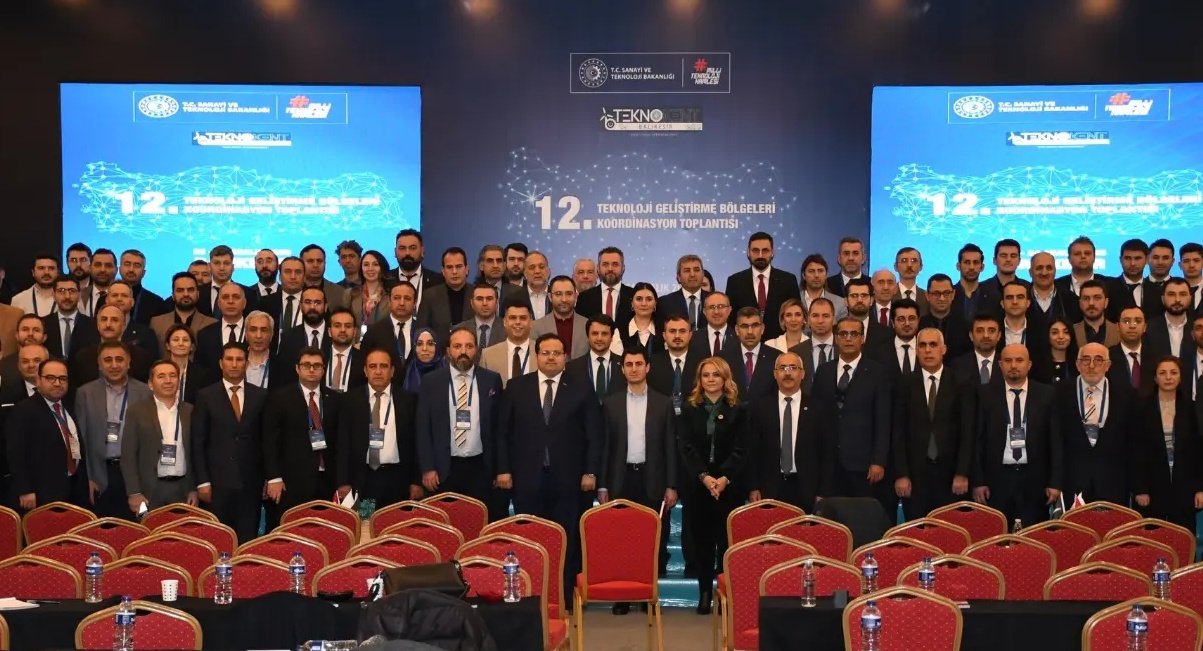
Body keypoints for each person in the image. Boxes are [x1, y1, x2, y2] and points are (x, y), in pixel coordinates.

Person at [496, 333, 603, 601]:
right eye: (546, 353)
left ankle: (563, 596)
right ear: (537, 356)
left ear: (565, 357)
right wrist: (503, 469)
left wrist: (590, 471)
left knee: (566, 538)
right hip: (527, 479)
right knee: (530, 537)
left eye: (557, 353)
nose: (551, 358)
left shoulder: (581, 387)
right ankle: (532, 595)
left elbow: (594, 433)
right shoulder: (517, 387)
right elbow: (502, 433)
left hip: (569, 480)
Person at [598, 346, 678, 615]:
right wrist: (603, 484)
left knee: (652, 539)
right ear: (622, 369)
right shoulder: (611, 403)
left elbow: (670, 446)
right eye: (629, 364)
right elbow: (605, 447)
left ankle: (647, 594)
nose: (634, 369)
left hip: (652, 479)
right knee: (621, 540)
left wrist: (671, 484)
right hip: (621, 480)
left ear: (647, 368)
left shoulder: (663, 403)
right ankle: (623, 595)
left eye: (638, 364)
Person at [677, 356, 747, 615]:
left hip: (729, 486)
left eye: (716, 375)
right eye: (705, 375)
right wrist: (704, 477)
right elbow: (686, 447)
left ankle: (725, 594)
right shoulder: (689, 409)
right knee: (702, 543)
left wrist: (724, 478)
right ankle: (705, 592)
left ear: (725, 378)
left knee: (726, 543)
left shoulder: (739, 409)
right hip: (699, 485)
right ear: (699, 379)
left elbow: (742, 448)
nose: (710, 379)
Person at [415, 327, 505, 519]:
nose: (463, 351)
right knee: (445, 524)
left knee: (479, 522)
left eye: (469, 346)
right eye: (457, 346)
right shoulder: (431, 382)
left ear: (476, 350)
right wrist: (428, 467)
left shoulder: (491, 380)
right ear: (448, 351)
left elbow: (499, 429)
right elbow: (423, 428)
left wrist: (500, 469)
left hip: (480, 468)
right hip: (443, 469)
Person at [972, 344, 1061, 526]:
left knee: (1034, 535)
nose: (1013, 365)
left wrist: (1055, 482)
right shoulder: (985, 394)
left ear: (1029, 365)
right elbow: (977, 441)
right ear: (1000, 365)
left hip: (1035, 479)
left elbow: (1055, 441)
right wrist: (978, 481)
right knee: (998, 534)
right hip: (997, 479)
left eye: (1019, 360)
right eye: (1008, 360)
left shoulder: (1047, 394)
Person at [892, 329, 974, 519]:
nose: (928, 350)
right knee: (918, 530)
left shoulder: (960, 382)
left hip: (951, 476)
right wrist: (902, 474)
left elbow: (967, 432)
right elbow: (897, 432)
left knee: (950, 530)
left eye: (933, 345)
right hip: (915, 476)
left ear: (943, 349)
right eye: (922, 345)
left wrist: (962, 472)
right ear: (916, 350)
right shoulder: (904, 383)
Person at [808, 317, 891, 502]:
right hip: (828, 464)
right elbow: (815, 418)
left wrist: (878, 461)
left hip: (862, 464)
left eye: (854, 334)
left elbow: (883, 420)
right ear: (836, 338)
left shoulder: (877, 372)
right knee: (830, 516)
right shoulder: (823, 371)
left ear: (862, 338)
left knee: (861, 515)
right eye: (843, 334)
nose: (848, 338)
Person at [191, 342, 267, 542]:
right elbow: (198, 441)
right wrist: (203, 481)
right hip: (217, 484)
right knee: (218, 540)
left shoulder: (260, 395)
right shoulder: (205, 396)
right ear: (220, 363)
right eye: (229, 359)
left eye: (239, 360)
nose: (234, 364)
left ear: (246, 363)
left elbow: (265, 440)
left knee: (248, 540)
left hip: (251, 483)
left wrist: (268, 477)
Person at [263, 347, 342, 529]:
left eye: (317, 366)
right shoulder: (280, 398)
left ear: (324, 369)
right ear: (297, 369)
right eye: (306, 365)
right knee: (290, 531)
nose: (312, 369)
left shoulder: (335, 400)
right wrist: (274, 477)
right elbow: (270, 441)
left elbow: (340, 442)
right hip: (290, 481)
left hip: (326, 480)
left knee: (322, 532)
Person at [75, 341, 153, 519]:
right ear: (99, 364)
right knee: (103, 528)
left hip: (136, 476)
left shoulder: (145, 392)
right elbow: (82, 440)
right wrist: (87, 478)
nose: (114, 365)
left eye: (119, 359)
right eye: (108, 360)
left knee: (138, 525)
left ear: (129, 363)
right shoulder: (85, 393)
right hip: (100, 474)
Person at [337, 348, 421, 508]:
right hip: (363, 480)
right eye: (372, 366)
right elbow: (343, 444)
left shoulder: (408, 400)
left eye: (383, 366)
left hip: (398, 480)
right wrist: (343, 482)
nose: (378, 371)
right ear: (365, 371)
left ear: (392, 371)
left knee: (396, 522)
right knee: (365, 522)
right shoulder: (350, 401)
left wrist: (416, 481)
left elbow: (417, 443)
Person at [1057, 343, 1138, 506]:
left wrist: (1137, 484)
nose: (1092, 365)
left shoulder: (1126, 394)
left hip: (1114, 481)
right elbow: (1055, 440)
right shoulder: (1059, 393)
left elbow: (1134, 442)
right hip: (1073, 480)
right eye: (1086, 360)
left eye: (1098, 360)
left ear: (1108, 365)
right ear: (1077, 365)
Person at [1131, 356, 1203, 532]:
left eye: (1173, 373)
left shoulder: (1192, 408)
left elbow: (1198, 451)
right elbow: (1136, 451)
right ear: (1155, 378)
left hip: (1185, 487)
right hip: (1152, 488)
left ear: (1181, 377)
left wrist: (1200, 489)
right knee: (1152, 538)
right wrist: (1140, 488)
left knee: (1183, 537)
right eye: (1163, 373)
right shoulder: (1141, 407)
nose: (1168, 377)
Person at [7, 358, 89, 510]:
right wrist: (25, 489)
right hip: (42, 492)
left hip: (74, 487)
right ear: (38, 380)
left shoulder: (69, 406)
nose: (57, 383)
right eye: (50, 378)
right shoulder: (24, 410)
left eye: (62, 378)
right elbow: (16, 453)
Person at [748, 352, 825, 512]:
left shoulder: (818, 408)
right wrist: (753, 486)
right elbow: (753, 449)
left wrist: (823, 492)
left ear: (802, 374)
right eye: (782, 368)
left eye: (793, 368)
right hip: (769, 489)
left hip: (807, 489)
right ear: (775, 374)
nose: (787, 373)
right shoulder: (761, 407)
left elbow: (827, 453)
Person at [121, 359, 198, 513]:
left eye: (173, 375)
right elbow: (128, 455)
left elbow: (196, 453)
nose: (168, 380)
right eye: (161, 376)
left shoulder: (191, 411)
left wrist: (193, 488)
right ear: (150, 384)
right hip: (148, 491)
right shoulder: (136, 412)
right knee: (149, 528)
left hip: (182, 489)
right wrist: (134, 493)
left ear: (179, 381)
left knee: (182, 528)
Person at [725, 232, 801, 340]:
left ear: (772, 252)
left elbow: (796, 315)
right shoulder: (734, 281)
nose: (760, 255)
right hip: (745, 344)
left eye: (765, 251)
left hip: (780, 345)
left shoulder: (788, 280)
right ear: (748, 252)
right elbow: (731, 320)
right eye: (755, 250)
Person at [71, 305, 152, 385]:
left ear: (124, 326)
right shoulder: (83, 357)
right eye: (104, 319)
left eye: (114, 320)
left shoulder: (140, 357)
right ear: (98, 325)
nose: (108, 324)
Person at [273, 287, 329, 388]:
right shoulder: (288, 337)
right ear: (300, 306)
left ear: (325, 307)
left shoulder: (335, 335)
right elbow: (282, 375)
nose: (312, 307)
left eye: (317, 302)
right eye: (307, 302)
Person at [720, 307, 780, 399]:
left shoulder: (776, 358)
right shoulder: (722, 359)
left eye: (755, 326)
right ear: (737, 330)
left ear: (762, 328)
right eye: (744, 326)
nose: (750, 332)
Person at [566, 315, 626, 403]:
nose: (599, 338)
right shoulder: (572, 368)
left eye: (604, 334)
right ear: (587, 337)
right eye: (595, 333)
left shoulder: (624, 364)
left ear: (612, 337)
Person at [360, 281, 419, 371]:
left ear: (414, 303)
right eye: (396, 298)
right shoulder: (373, 332)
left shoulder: (423, 330)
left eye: (407, 298)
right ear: (389, 301)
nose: (402, 303)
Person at [415, 247, 473, 337]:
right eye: (449, 267)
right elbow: (421, 331)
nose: (454, 272)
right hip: (439, 345)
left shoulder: (477, 294)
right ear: (443, 271)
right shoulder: (429, 296)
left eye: (458, 266)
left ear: (467, 269)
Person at [195, 283, 249, 376]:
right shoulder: (204, 334)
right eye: (225, 297)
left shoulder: (255, 331)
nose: (230, 301)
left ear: (244, 303)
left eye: (236, 297)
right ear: (219, 304)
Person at [478, 302, 536, 388]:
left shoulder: (542, 352)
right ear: (505, 322)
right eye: (513, 318)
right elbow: (483, 388)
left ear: (531, 322)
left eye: (523, 318)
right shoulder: (488, 355)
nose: (518, 322)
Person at [149, 272, 216, 346]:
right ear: (172, 295)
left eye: (190, 290)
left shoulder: (212, 324)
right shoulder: (157, 323)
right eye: (180, 290)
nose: (186, 294)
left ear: (198, 294)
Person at [532, 276, 589, 359]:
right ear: (550, 297)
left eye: (569, 294)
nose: (564, 299)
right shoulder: (536, 327)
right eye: (558, 294)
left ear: (576, 296)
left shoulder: (587, 325)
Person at [43, 275, 99, 359]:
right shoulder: (43, 324)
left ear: (79, 295)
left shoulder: (93, 324)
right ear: (53, 295)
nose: (67, 296)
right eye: (61, 291)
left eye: (72, 291)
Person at [789, 297, 836, 395]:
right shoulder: (795, 353)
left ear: (834, 319)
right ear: (808, 319)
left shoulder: (845, 349)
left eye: (826, 316)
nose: (820, 321)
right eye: (815, 316)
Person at [919, 273, 971, 358]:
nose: (941, 298)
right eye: (936, 293)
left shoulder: (965, 325)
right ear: (927, 295)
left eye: (946, 293)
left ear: (953, 294)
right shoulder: (919, 325)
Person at [577, 247, 634, 324]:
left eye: (615, 264)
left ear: (623, 268)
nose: (610, 269)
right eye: (605, 264)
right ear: (598, 268)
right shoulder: (584, 298)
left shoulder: (634, 296)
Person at [391, 229, 444, 313]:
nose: (407, 253)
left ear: (422, 251)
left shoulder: (438, 281)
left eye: (412, 248)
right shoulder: (386, 279)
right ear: (395, 252)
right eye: (402, 248)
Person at [103, 281, 160, 358]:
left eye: (124, 295)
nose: (119, 299)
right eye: (115, 295)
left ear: (132, 302)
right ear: (106, 300)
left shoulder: (146, 334)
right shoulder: (92, 329)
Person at [1055, 236, 1104, 324]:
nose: (1083, 256)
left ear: (1094, 257)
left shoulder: (1109, 284)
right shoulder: (1057, 286)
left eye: (1087, 253)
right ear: (1069, 259)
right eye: (1077, 254)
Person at [867, 298, 920, 379]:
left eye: (911, 318)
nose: (907, 323)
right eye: (901, 319)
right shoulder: (877, 351)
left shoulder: (927, 348)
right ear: (892, 323)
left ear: (918, 321)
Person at [197, 245, 255, 317]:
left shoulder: (248, 293)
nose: (222, 268)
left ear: (233, 267)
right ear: (209, 266)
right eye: (217, 263)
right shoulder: (198, 292)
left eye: (226, 263)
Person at [256, 256, 306, 336]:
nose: (293, 277)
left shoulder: (313, 303)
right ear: (279, 277)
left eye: (298, 272)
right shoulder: (265, 303)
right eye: (288, 272)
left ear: (305, 277)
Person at [949, 314, 1002, 389]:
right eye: (980, 331)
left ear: (999, 335)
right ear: (971, 335)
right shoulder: (957, 366)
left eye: (991, 331)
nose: (986, 335)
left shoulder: (1007, 363)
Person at [163, 324, 212, 405]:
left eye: (185, 340)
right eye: (176, 340)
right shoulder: (158, 370)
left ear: (192, 346)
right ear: (168, 345)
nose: (180, 343)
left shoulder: (203, 374)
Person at [1110, 307, 1154, 396]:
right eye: (1126, 321)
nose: (1132, 326)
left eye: (1138, 321)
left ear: (1145, 327)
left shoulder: (1156, 357)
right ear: (1117, 326)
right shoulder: (1107, 357)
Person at [1146, 278, 1193, 360]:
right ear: (1162, 298)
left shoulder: (1198, 326)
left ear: (1190, 298)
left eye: (1183, 294)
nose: (1177, 299)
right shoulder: (1148, 328)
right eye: (1171, 294)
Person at [660, 255, 709, 331]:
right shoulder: (664, 303)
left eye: (696, 270)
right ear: (678, 277)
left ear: (703, 275)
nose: (692, 274)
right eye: (687, 271)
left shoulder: (714, 300)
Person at [116, 249, 166, 325]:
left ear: (143, 272)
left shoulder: (156, 303)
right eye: (127, 264)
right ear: (119, 269)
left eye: (137, 266)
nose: (131, 269)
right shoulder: (105, 299)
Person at [452, 282, 504, 351]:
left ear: (497, 303)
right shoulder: (458, 329)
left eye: (489, 299)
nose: (484, 303)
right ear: (472, 303)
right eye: (479, 299)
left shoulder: (507, 328)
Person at [844, 277, 892, 348]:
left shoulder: (887, 333)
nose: (859, 300)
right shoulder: (834, 331)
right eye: (854, 296)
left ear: (871, 300)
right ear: (846, 301)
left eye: (864, 295)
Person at [348, 250, 392, 329]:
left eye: (375, 264)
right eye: (366, 265)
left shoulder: (391, 295)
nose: (370, 269)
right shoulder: (350, 294)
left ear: (382, 267)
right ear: (361, 268)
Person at [325, 308, 365, 394]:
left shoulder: (364, 359)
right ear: (329, 331)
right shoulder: (320, 357)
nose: (343, 330)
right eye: (337, 326)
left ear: (354, 332)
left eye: (348, 326)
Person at [299, 243, 349, 309]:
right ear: (301, 264)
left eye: (319, 261)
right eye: (310, 261)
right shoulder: (293, 290)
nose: (315, 265)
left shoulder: (340, 293)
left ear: (325, 263)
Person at [1031, 319, 1079, 386]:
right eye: (1055, 332)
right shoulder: (1036, 364)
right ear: (1047, 335)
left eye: (1066, 332)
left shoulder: (1078, 363)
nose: (1061, 336)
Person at [799, 254, 848, 319]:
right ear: (803, 275)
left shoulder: (840, 303)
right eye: (811, 271)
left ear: (826, 275)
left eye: (820, 271)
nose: (816, 275)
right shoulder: (795, 300)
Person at [1029, 252, 1072, 325]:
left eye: (1049, 268)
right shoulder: (1020, 297)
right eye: (1039, 268)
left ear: (1055, 271)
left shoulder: (1071, 299)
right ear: (1030, 272)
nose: (1044, 273)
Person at [1072, 280, 1119, 348]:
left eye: (1097, 298)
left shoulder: (1118, 331)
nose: (1091, 303)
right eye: (1086, 298)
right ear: (1080, 303)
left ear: (1106, 302)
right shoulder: (1071, 331)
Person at [620, 282, 663, 355]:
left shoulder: (664, 329)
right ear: (632, 303)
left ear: (655, 303)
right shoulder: (620, 329)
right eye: (639, 299)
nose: (644, 304)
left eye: (649, 299)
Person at [11, 253, 59, 317]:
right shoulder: (19, 299)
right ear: (33, 272)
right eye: (41, 268)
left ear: (58, 272)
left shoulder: (68, 299)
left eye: (51, 268)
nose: (46, 272)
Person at [689, 292, 733, 359]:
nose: (716, 312)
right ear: (704, 311)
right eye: (711, 307)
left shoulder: (739, 338)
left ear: (729, 310)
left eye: (721, 306)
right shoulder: (692, 338)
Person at [243, 311, 276, 391]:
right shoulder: (236, 361)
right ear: (246, 334)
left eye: (264, 330)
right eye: (253, 330)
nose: (258, 336)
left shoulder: (283, 366)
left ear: (271, 335)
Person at [952, 244, 985, 322]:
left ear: (982, 267)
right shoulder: (949, 295)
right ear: (958, 266)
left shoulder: (992, 296)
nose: (971, 267)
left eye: (976, 262)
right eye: (967, 262)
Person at [892, 247, 928, 316]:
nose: (909, 265)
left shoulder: (927, 297)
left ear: (921, 267)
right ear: (895, 267)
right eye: (904, 261)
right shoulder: (888, 295)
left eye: (914, 260)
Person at [523, 251, 551, 319]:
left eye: (541, 267)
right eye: (532, 267)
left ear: (548, 271)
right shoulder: (513, 298)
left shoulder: (558, 295)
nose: (537, 271)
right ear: (524, 273)